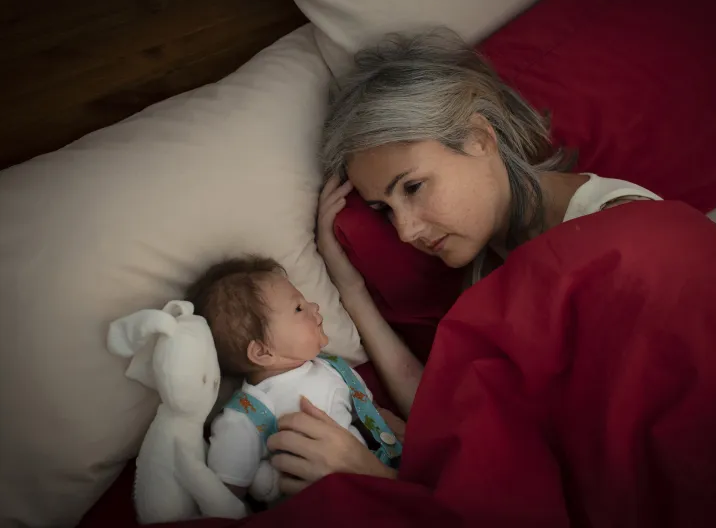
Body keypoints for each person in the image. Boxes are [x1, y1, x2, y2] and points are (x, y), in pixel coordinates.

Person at [265, 29, 662, 493]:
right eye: (383, 209)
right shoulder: (497, 260)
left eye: (412, 187)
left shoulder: (618, 237)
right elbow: (450, 414)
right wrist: (349, 288)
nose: (405, 231)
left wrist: (377, 480)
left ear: (478, 137)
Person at [185, 256, 402, 502]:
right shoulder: (246, 414)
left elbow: (368, 413)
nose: (315, 307)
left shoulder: (333, 366)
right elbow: (224, 496)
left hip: (378, 479)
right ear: (262, 352)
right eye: (298, 308)